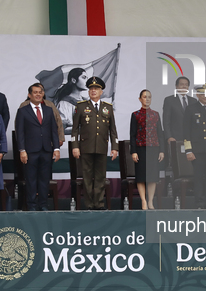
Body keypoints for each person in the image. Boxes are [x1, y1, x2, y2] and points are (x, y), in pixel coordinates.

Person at [72, 77, 119, 210]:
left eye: (96, 89)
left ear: (101, 92)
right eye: (91, 89)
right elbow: (75, 130)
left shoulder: (107, 108)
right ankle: (89, 204)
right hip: (85, 147)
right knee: (87, 177)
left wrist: (115, 147)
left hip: (101, 147)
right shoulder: (81, 107)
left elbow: (113, 130)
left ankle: (98, 204)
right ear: (88, 91)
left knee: (100, 177)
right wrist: (75, 146)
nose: (93, 91)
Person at [15, 83, 61, 211]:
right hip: (30, 151)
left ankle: (43, 205)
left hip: (46, 150)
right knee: (31, 180)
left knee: (44, 180)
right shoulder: (23, 111)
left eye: (40, 92)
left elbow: (53, 130)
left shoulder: (48, 110)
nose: (38, 94)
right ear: (29, 95)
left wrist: (56, 148)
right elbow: (20, 133)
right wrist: (22, 150)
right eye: (35, 92)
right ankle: (32, 205)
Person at [130, 90, 165, 210]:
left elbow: (160, 134)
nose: (147, 99)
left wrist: (162, 150)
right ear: (140, 99)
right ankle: (143, 201)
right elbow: (132, 134)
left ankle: (150, 201)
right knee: (141, 176)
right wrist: (133, 151)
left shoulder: (156, 114)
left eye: (149, 97)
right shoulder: (135, 114)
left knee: (152, 176)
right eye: (145, 97)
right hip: (140, 148)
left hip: (154, 148)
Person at [54, 68, 90, 134]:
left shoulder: (87, 102)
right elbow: (61, 128)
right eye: (84, 78)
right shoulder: (64, 103)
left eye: (87, 78)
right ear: (73, 80)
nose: (87, 81)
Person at [162, 76, 197, 143]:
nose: (184, 86)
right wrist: (169, 136)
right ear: (176, 86)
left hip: (192, 138)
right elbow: (166, 121)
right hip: (175, 138)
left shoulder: (193, 101)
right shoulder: (169, 100)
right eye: (181, 84)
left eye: (186, 85)